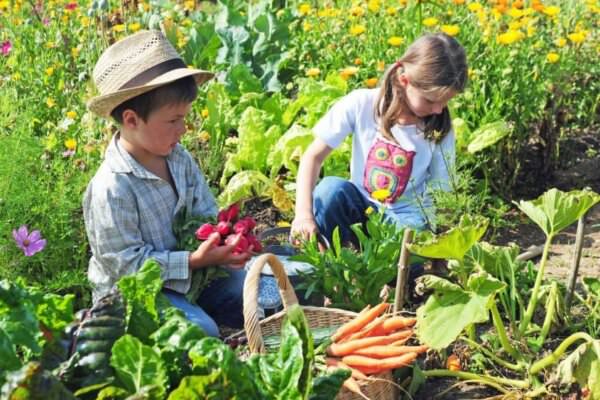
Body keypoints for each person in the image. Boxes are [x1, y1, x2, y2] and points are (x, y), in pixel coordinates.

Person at [83, 30, 253, 338]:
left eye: (185, 118)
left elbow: (205, 210)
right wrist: (193, 260)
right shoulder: (112, 188)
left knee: (262, 290)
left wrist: (223, 241)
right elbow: (127, 268)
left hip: (196, 274)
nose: (184, 129)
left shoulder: (178, 158)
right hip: (139, 295)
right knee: (200, 335)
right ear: (132, 120)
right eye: (174, 121)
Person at [291, 33, 468, 246]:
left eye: (445, 102)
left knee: (408, 240)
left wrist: (444, 249)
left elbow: (443, 192)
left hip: (405, 221)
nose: (439, 110)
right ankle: (331, 261)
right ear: (405, 81)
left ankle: (384, 270)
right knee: (329, 190)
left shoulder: (439, 129)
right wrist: (303, 215)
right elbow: (313, 157)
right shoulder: (361, 103)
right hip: (361, 206)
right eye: (431, 101)